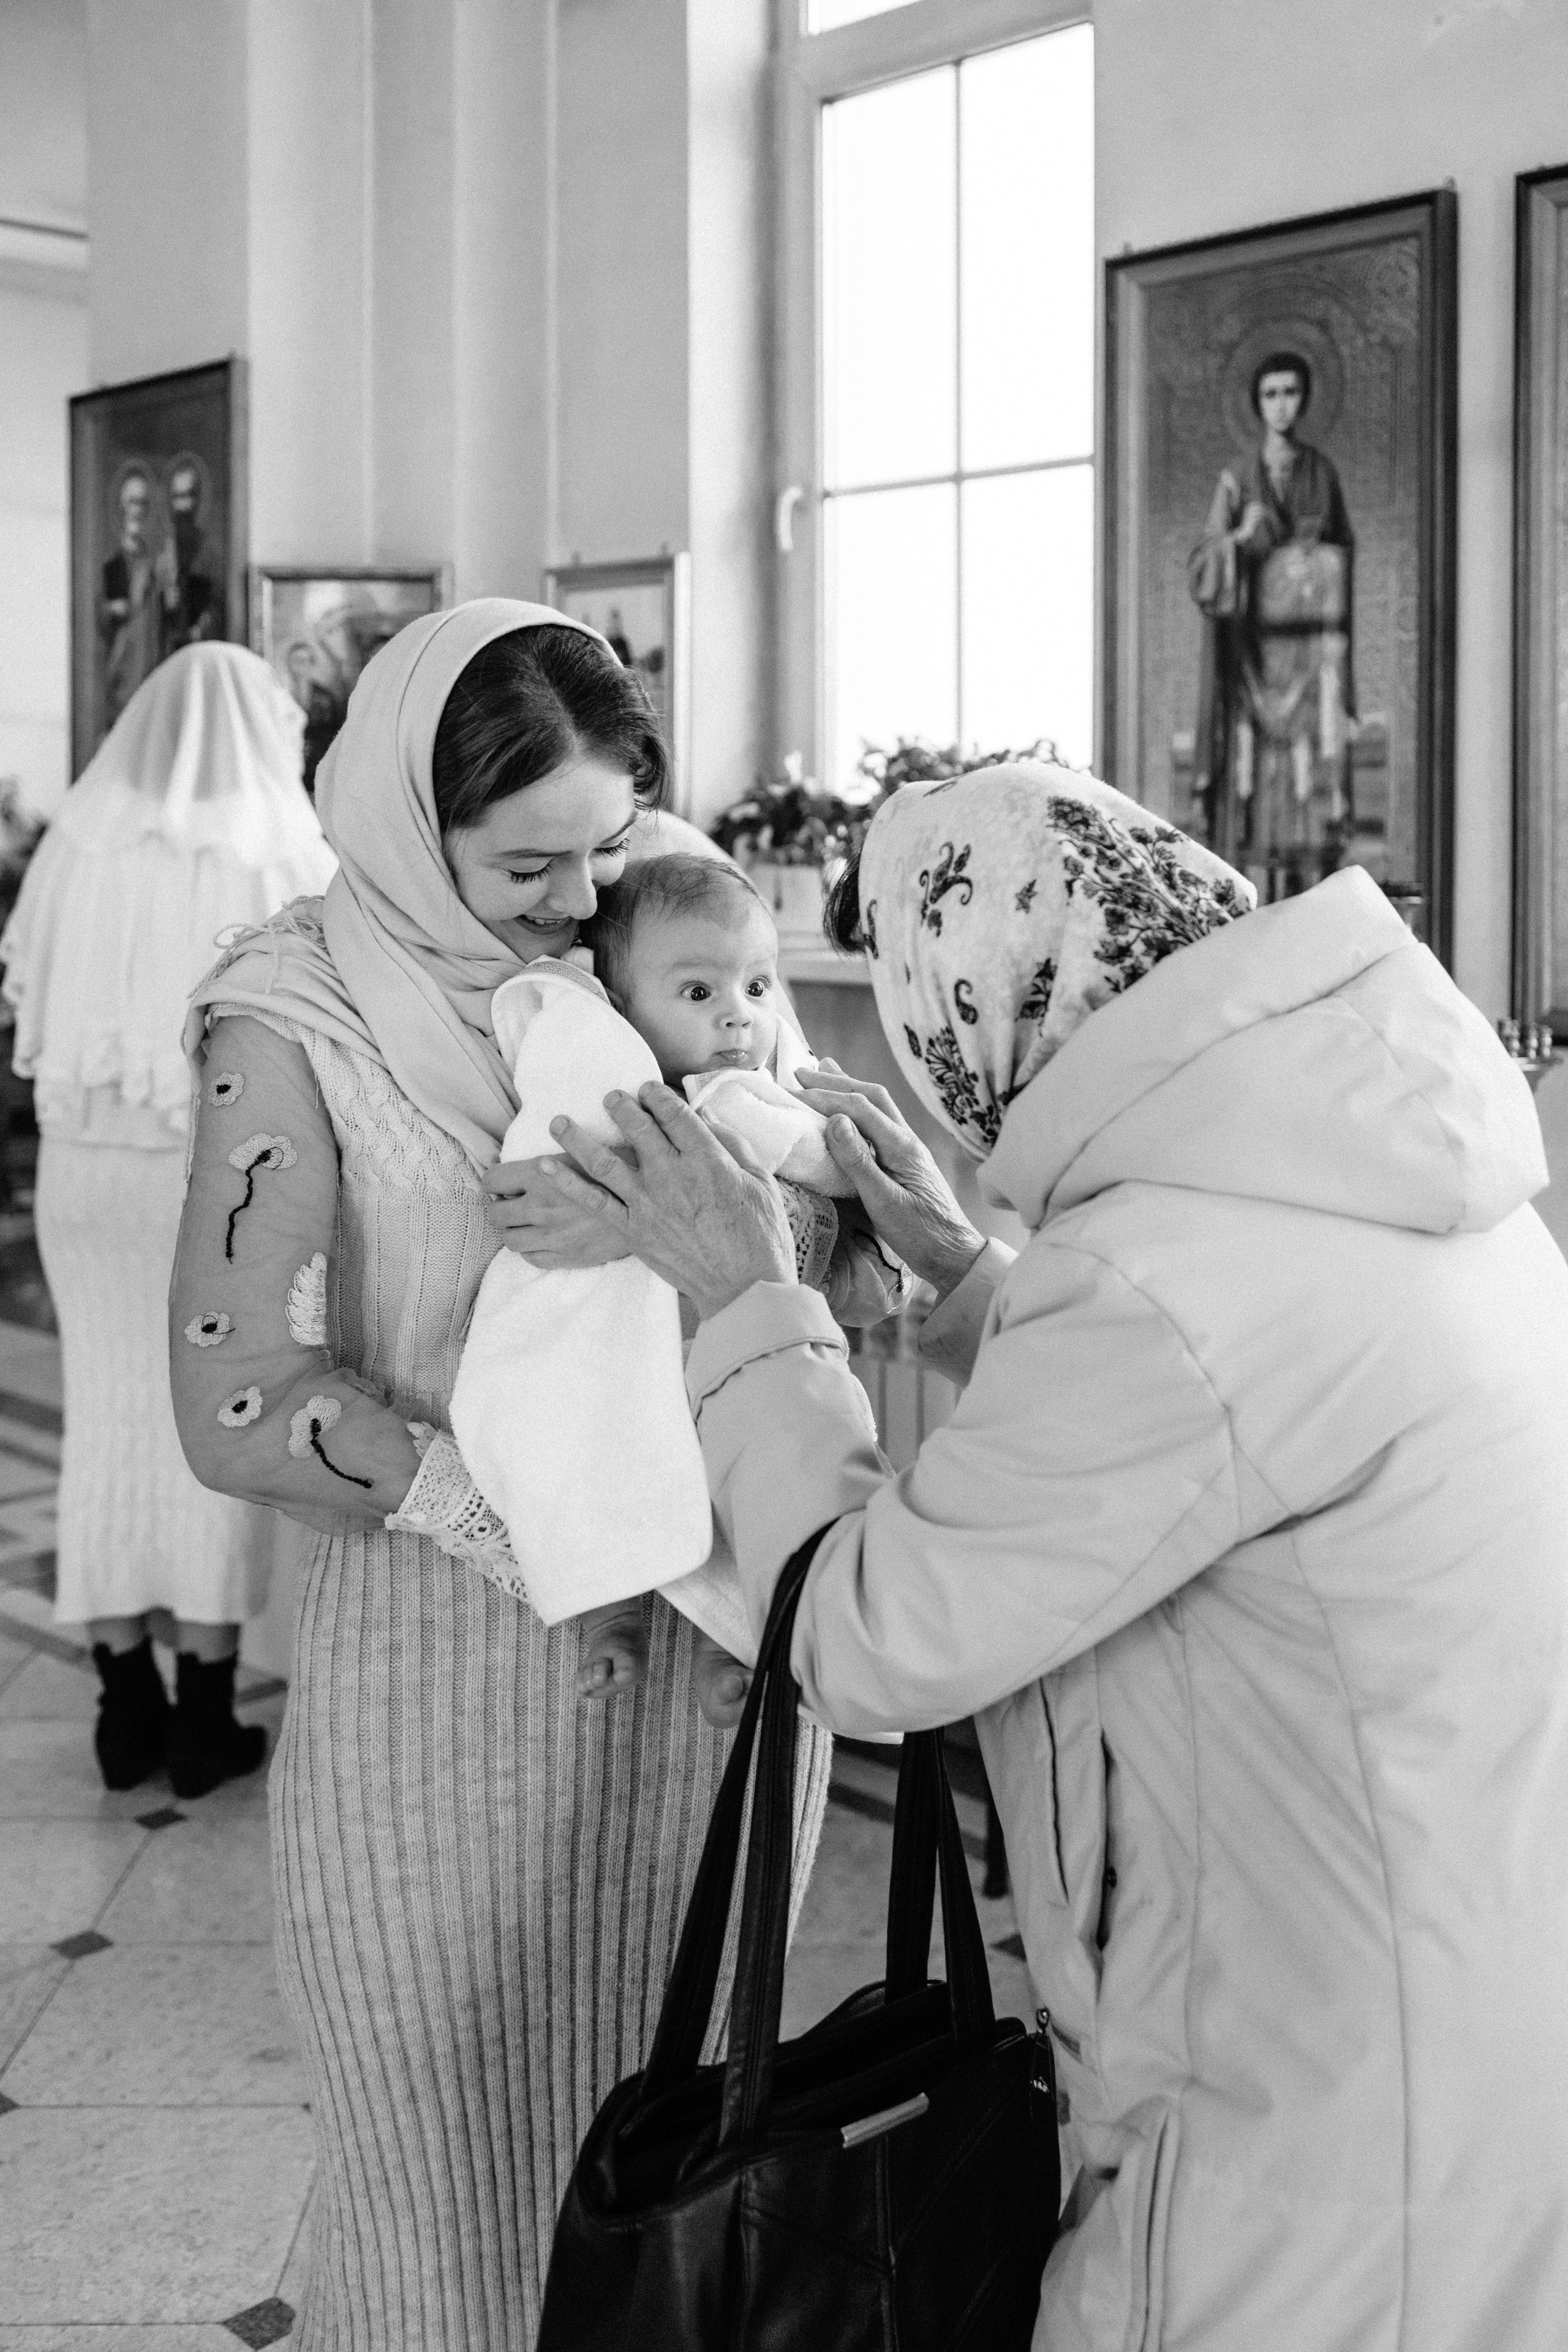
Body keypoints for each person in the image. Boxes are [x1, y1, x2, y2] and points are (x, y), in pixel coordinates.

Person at [516, 760, 1568, 2351]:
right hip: (1463, 2006)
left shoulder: (1159, 1276)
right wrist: (961, 1277)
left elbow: (865, 1637)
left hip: (1313, 2110)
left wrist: (746, 1301)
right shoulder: (1381, 1153)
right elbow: (1222, 1421)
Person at [168, 600, 832, 2350]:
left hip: (696, 1712)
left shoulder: (662, 938)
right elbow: (237, 1396)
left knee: (673, 2230)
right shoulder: (294, 1011)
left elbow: (793, 1217)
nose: (572, 904)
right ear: (409, 819)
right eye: (525, 866)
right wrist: (515, 1517)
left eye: (601, 848)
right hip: (440, 1724)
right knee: (440, 2226)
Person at [455, 852, 907, 1725]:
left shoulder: (743, 1089)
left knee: (731, 1485)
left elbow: (847, 1209)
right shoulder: (647, 1089)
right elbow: (815, 1156)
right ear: (621, 1004)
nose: (739, 1015)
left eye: (758, 987)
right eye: (698, 993)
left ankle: (712, 1640)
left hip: (722, 1352)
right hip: (634, 1346)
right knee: (617, 1460)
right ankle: (621, 1616)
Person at [0, 643, 336, 1795]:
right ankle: (202, 1713)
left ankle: (122, 1705)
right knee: (218, 1409)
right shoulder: (283, 847)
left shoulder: (77, 843)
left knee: (106, 1415)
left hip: (85, 1176)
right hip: (215, 1178)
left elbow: (32, 1004)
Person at [1188, 349, 1355, 895]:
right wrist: (1241, 538)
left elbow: (1343, 552)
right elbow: (1205, 564)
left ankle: (1309, 884)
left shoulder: (1321, 472)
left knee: (1306, 765)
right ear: (1257, 403)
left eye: (1291, 393)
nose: (1281, 405)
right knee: (1254, 769)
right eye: (1270, 394)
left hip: (1306, 651)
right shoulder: (1237, 478)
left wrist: (1317, 558)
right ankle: (1251, 882)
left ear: (1304, 400)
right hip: (1252, 654)